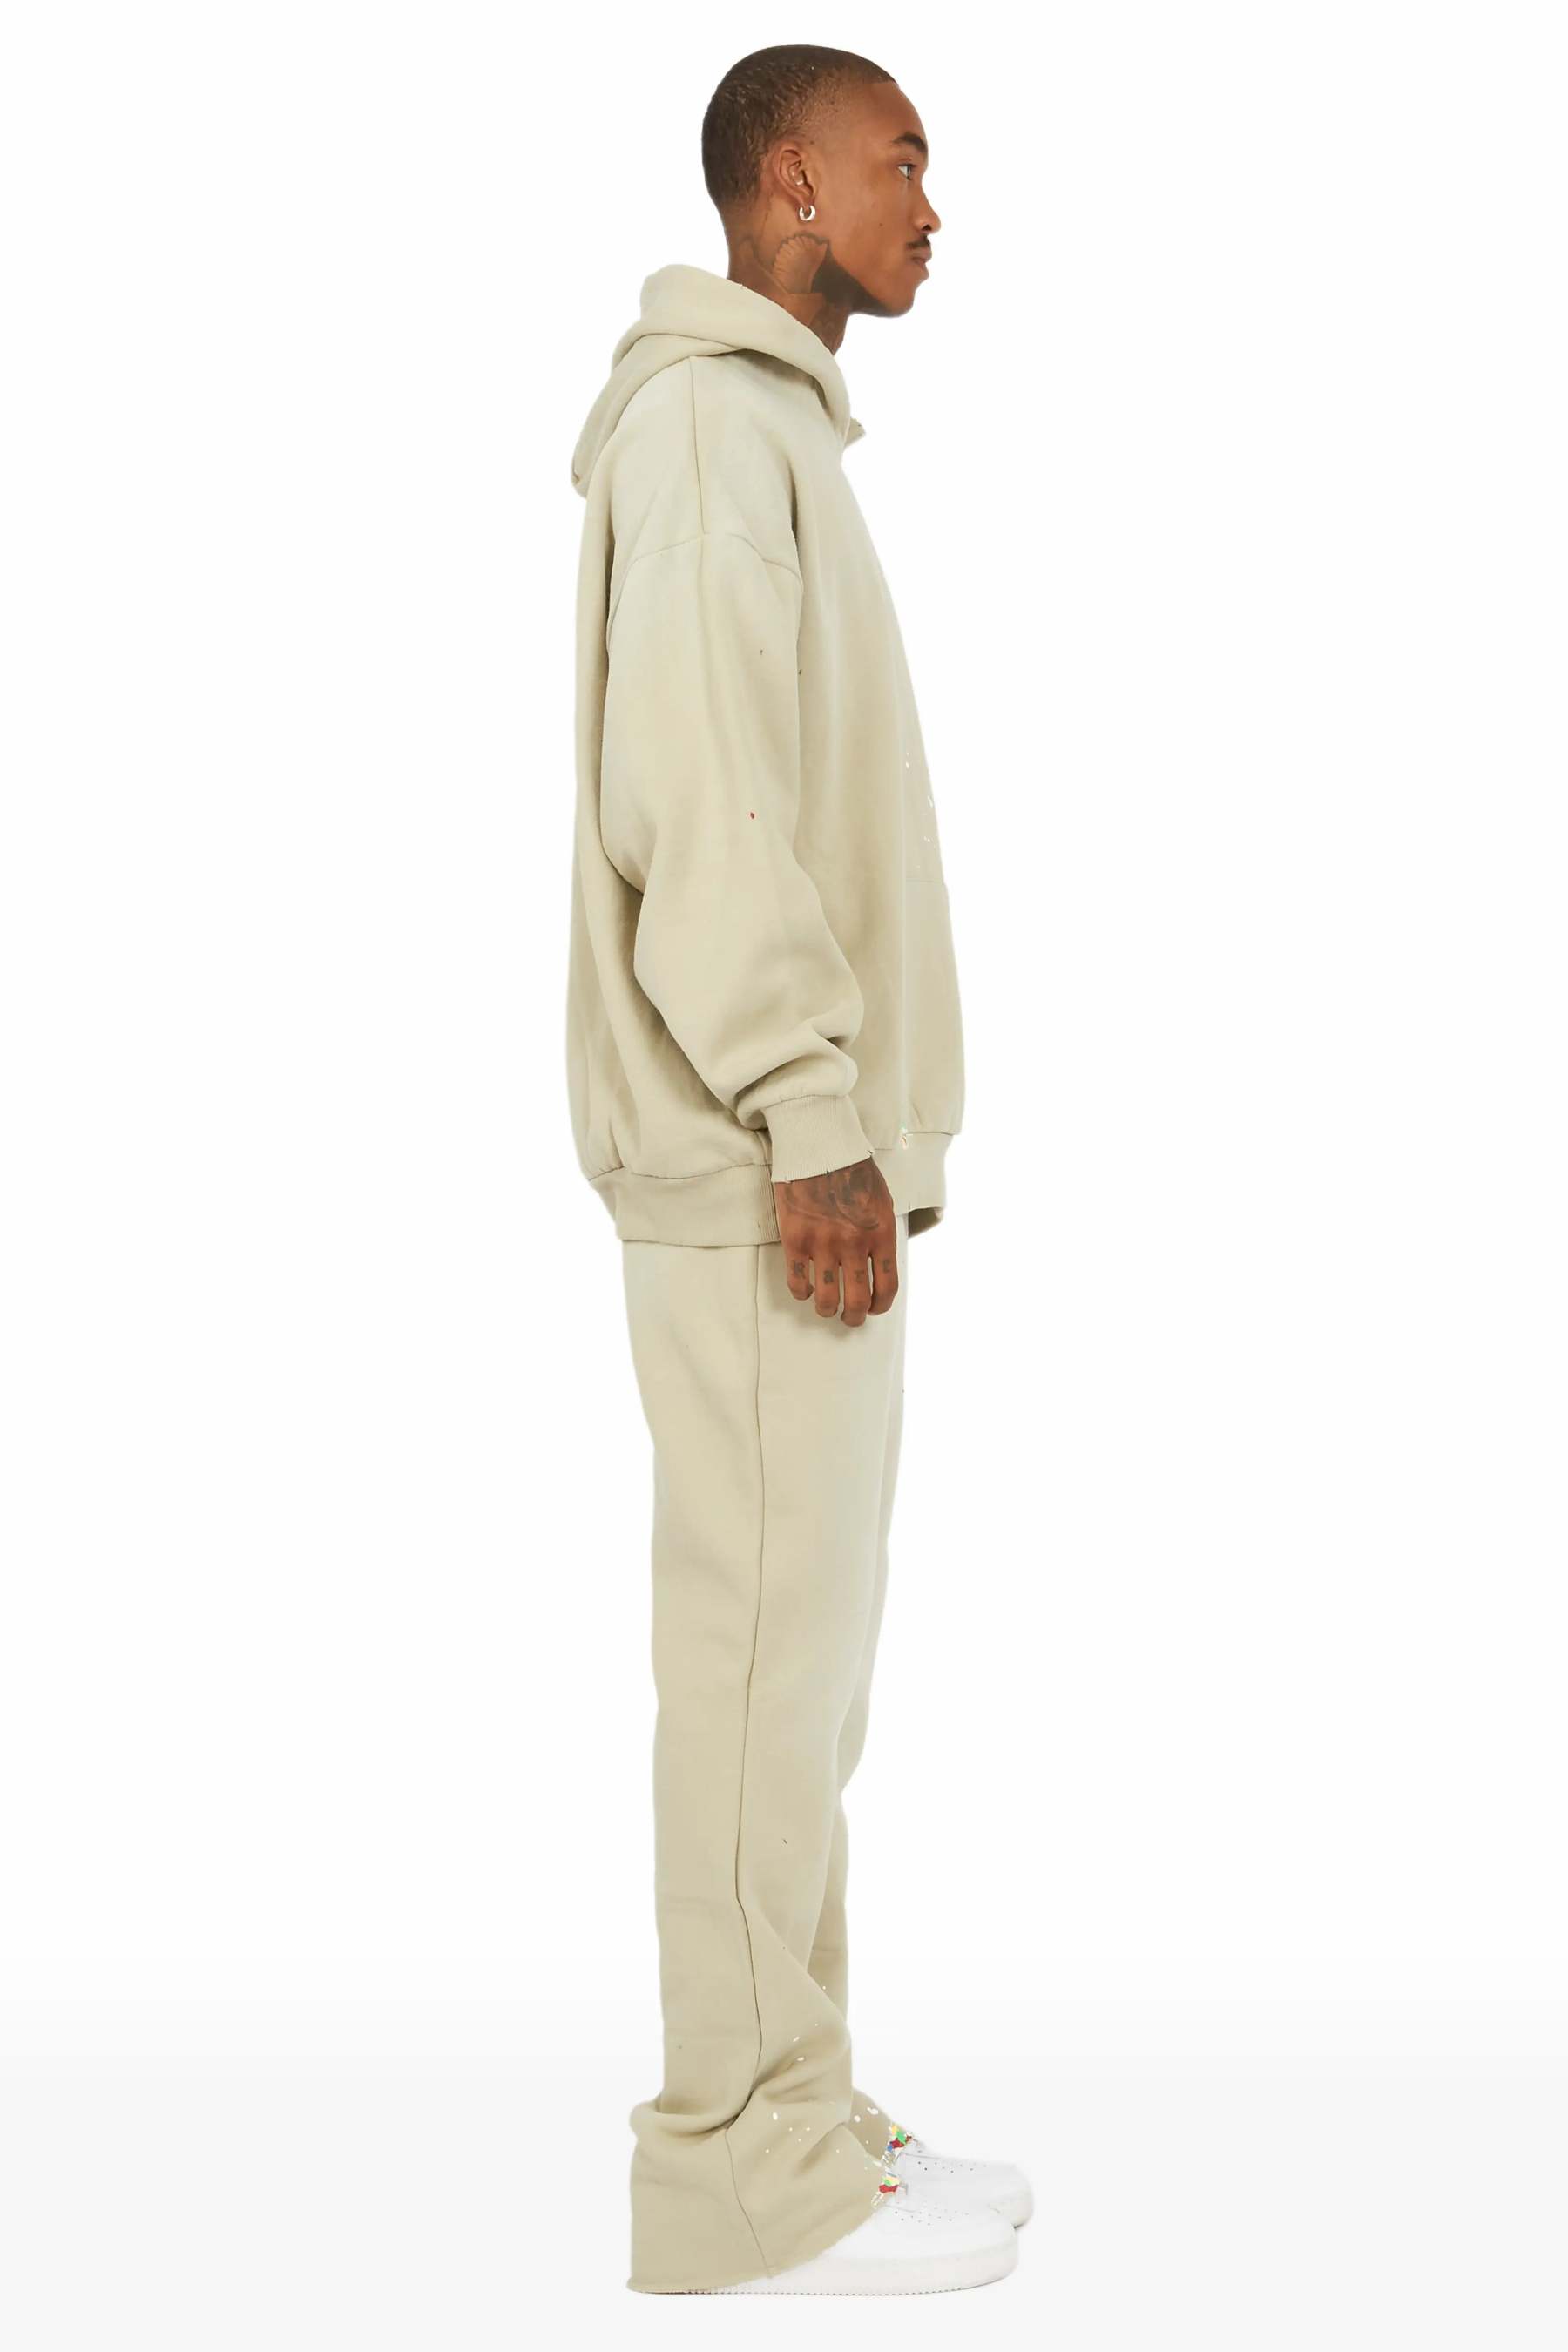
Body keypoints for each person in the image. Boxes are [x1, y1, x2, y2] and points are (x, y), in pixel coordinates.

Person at [564, 44, 1028, 2296]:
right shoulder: (704, 433)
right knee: (760, 1670)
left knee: (800, 1680)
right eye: (901, 161)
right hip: (764, 1164)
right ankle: (739, 2182)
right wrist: (812, 1110)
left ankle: (799, 2110)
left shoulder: (764, 437)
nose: (934, 204)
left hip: (792, 1162)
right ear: (787, 182)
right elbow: (705, 804)